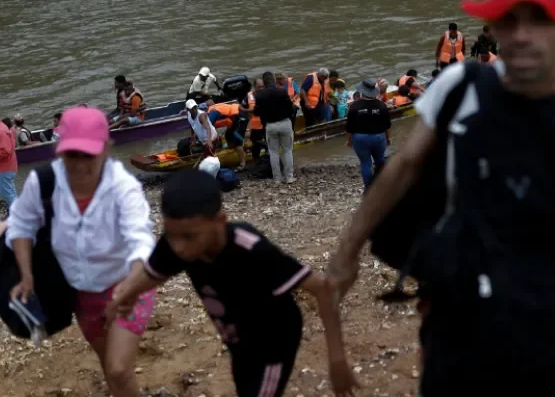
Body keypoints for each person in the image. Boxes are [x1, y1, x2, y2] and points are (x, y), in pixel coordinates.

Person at [328, 0, 555, 397]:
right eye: (510, 19)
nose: (522, 35)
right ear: (493, 27)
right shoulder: (458, 89)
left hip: (553, 334)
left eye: (539, 19)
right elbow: (403, 167)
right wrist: (346, 253)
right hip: (456, 322)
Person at [105, 170, 358, 397]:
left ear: (220, 221)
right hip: (239, 343)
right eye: (171, 236)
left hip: (274, 343)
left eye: (188, 237)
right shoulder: (178, 241)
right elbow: (155, 271)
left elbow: (324, 290)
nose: (178, 248)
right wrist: (125, 294)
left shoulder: (252, 250)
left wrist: (337, 359)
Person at [7, 106, 156, 397]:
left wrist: (129, 289)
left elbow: (141, 241)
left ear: (105, 148)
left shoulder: (123, 187)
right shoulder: (44, 182)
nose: (78, 164)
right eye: (71, 154)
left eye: (87, 154)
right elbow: (22, 226)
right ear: (60, 151)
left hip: (128, 286)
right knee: (107, 365)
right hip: (81, 293)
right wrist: (26, 275)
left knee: (118, 368)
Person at [346, 79, 391, 189]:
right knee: (380, 160)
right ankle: (382, 184)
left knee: (365, 163)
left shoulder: (354, 107)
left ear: (362, 91)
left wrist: (349, 140)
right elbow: (387, 125)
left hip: (360, 138)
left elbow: (349, 127)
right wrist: (388, 138)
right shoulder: (382, 106)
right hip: (379, 137)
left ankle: (369, 188)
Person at [253, 73, 296, 184]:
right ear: (273, 80)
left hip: (270, 125)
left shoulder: (259, 95)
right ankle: (289, 177)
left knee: (273, 152)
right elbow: (291, 108)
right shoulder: (281, 91)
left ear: (264, 82)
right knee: (287, 150)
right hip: (284, 123)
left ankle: (277, 178)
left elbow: (256, 112)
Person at [240, 78, 265, 160]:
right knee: (255, 144)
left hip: (266, 124)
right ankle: (256, 160)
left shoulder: (266, 94)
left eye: (262, 86)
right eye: (259, 87)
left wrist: (249, 110)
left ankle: (268, 157)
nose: (261, 89)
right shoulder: (248, 96)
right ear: (254, 86)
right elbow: (241, 108)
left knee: (268, 142)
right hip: (255, 126)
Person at [0, 119, 18, 208]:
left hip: (4, 168)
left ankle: (16, 216)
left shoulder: (1, 131)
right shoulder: (3, 128)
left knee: (7, 193)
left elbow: (6, 151)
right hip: (8, 167)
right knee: (10, 192)